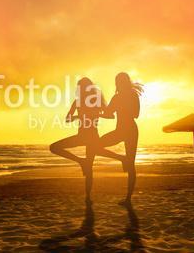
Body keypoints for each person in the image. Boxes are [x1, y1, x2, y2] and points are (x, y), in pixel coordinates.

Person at [50, 77, 106, 203]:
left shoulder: (95, 100)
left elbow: (109, 114)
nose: (80, 89)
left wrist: (95, 114)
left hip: (92, 136)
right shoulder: (77, 102)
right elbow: (67, 119)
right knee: (54, 147)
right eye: (79, 87)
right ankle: (81, 161)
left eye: (81, 87)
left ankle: (88, 197)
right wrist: (77, 116)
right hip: (82, 136)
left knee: (89, 167)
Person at [98, 72, 143, 205]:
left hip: (131, 131)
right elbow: (108, 113)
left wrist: (122, 105)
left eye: (120, 81)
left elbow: (136, 114)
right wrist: (99, 112)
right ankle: (121, 158)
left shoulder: (133, 95)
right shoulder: (116, 97)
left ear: (125, 82)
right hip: (119, 131)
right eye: (117, 82)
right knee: (97, 145)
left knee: (131, 165)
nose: (118, 84)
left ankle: (128, 199)